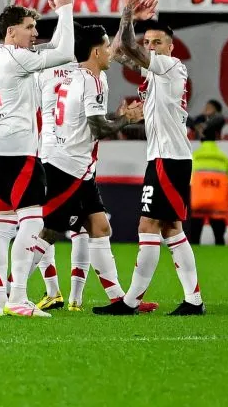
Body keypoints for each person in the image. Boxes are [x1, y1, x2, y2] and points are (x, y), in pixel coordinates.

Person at [95, 0, 205, 316]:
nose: (151, 46)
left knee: (148, 226)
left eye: (158, 42)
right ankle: (193, 300)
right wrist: (131, 24)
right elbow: (117, 52)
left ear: (171, 47)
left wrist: (128, 13)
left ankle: (129, 301)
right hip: (164, 157)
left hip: (167, 160)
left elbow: (128, 46)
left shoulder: (170, 67)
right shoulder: (155, 74)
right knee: (171, 228)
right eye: (149, 42)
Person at [37, 23, 159, 315]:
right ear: (95, 51)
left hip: (76, 163)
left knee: (99, 226)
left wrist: (117, 116)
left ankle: (118, 298)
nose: (109, 53)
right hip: (68, 166)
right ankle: (12, 294)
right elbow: (98, 128)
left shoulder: (76, 76)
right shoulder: (93, 79)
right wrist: (126, 119)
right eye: (106, 47)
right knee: (50, 231)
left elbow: (88, 121)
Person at [0, 0, 76, 318]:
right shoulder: (15, 59)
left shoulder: (0, 57)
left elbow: (50, 50)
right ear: (12, 32)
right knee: (33, 223)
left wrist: (56, 25)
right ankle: (18, 298)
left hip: (2, 150)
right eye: (30, 27)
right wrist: (65, 11)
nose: (35, 33)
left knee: (2, 227)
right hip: (21, 151)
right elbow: (65, 52)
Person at [32, 49, 83, 312]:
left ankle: (49, 291)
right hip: (80, 154)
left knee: (44, 223)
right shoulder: (86, 72)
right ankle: (72, 298)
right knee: (84, 227)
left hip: (49, 153)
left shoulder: (41, 69)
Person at [190, 135, 228, 246]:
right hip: (218, 203)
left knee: (194, 237)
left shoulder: (193, 156)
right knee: (219, 238)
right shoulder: (224, 159)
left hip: (197, 202)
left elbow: (187, 181)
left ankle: (192, 261)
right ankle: (222, 261)